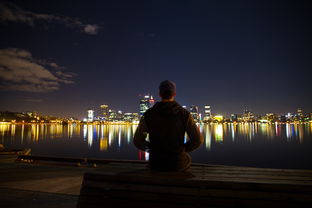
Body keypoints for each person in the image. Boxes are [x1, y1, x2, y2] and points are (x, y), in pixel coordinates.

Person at [133, 80, 203, 171]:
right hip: (178, 164)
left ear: (159, 94)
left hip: (156, 164)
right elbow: (198, 140)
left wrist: (153, 150)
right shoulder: (184, 114)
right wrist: (181, 150)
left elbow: (137, 141)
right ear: (174, 94)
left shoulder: (148, 114)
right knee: (187, 159)